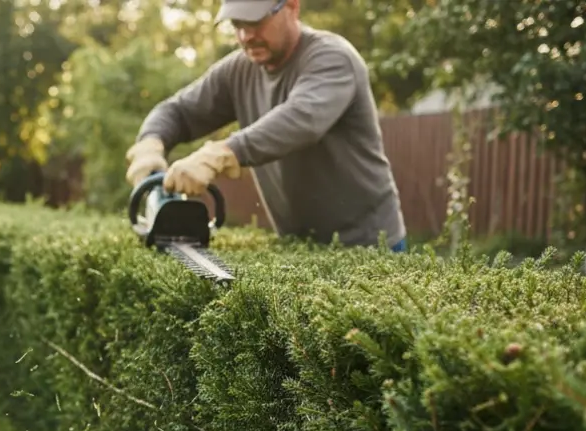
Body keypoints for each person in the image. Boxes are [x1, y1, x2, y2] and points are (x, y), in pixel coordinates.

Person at [125, 0, 407, 251]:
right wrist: (150, 142)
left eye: (256, 22)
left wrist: (220, 153)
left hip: (370, 244)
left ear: (293, 7)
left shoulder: (332, 59)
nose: (246, 36)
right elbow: (179, 111)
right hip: (298, 246)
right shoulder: (238, 70)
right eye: (237, 25)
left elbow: (301, 120)